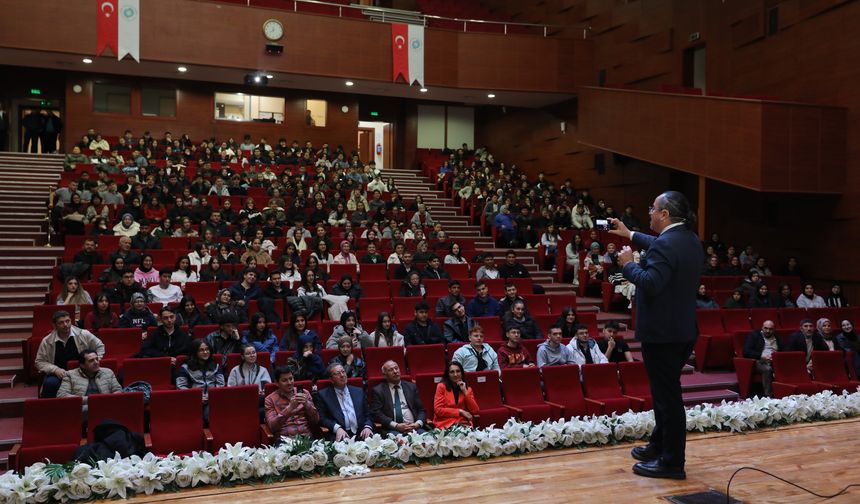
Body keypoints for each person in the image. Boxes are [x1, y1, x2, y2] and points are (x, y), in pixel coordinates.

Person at [608, 190, 703, 480]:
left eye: (653, 208)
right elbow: (660, 246)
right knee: (665, 394)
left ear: (664, 214)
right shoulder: (689, 239)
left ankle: (672, 463)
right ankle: (659, 445)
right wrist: (630, 234)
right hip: (682, 330)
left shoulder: (667, 245)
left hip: (662, 334)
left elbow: (650, 283)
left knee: (668, 399)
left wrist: (628, 266)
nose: (649, 211)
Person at [316, 363, 374, 441]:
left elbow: (369, 413)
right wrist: (337, 428)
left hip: (362, 432)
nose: (342, 375)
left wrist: (367, 426)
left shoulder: (358, 391)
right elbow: (322, 418)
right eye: (337, 373)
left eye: (343, 372)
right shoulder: (323, 395)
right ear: (331, 379)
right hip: (340, 434)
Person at [57, 348, 122, 417]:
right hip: (82, 409)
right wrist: (90, 400)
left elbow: (118, 390)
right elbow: (62, 395)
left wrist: (108, 400)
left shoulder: (108, 372)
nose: (96, 362)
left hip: (106, 407)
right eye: (91, 361)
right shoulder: (70, 375)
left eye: (96, 359)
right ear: (82, 365)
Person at [370, 360, 427, 436]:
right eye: (390, 370)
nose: (395, 371)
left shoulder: (411, 387)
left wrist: (418, 424)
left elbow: (421, 410)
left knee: (428, 438)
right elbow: (377, 413)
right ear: (385, 375)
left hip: (414, 428)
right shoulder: (379, 390)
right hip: (392, 430)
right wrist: (396, 425)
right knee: (398, 441)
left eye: (396, 368)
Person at [265, 365, 320, 440]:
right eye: (284, 380)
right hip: (285, 440)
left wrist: (307, 404)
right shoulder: (270, 399)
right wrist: (289, 408)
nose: (289, 382)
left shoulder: (304, 393)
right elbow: (273, 426)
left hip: (306, 438)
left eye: (291, 379)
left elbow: (316, 421)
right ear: (277, 383)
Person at [176, 340, 225, 421]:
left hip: (212, 399)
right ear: (195, 352)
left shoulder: (216, 366)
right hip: (192, 400)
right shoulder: (185, 367)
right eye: (201, 350)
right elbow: (180, 386)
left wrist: (211, 396)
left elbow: (221, 384)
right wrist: (196, 397)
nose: (205, 352)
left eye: (207, 349)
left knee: (209, 416)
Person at [433, 361, 480, 429]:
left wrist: (465, 391)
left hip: (462, 423)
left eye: (458, 371)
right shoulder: (441, 387)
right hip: (445, 423)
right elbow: (438, 410)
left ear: (462, 373)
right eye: (452, 372)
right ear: (448, 374)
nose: (455, 374)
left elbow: (475, 411)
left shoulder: (467, 389)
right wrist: (460, 411)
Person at [742, 320, 782, 397]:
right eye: (766, 328)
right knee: (767, 369)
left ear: (774, 329)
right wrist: (761, 356)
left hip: (774, 361)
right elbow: (746, 352)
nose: (768, 331)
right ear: (762, 328)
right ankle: (768, 395)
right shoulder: (754, 336)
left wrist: (777, 357)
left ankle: (784, 394)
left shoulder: (777, 338)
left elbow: (784, 350)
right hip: (758, 361)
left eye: (770, 329)